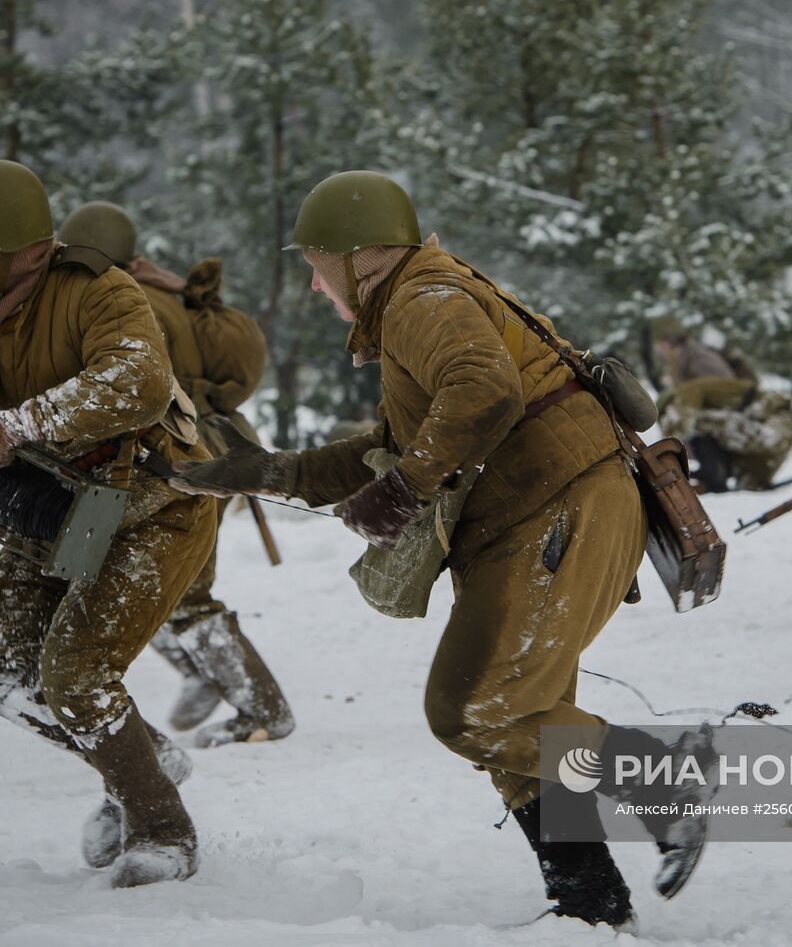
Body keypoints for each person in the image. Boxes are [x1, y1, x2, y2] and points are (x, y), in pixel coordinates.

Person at [172, 170, 713, 928]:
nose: (316, 288)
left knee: (473, 711)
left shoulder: (422, 300)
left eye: (317, 268)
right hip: (547, 513)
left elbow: (484, 390)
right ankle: (589, 904)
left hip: (556, 510)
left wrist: (406, 489)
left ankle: (662, 780)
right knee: (519, 720)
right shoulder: (422, 299)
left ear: (358, 259)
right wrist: (266, 471)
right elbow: (391, 445)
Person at [0, 160, 218, 886]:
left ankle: (163, 829)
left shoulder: (99, 291)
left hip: (156, 509)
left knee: (76, 672)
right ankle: (140, 758)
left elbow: (140, 380)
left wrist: (25, 421)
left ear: (8, 249)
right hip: (62, 511)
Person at [57, 202, 294, 748]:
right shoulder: (165, 295)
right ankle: (203, 674)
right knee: (135, 580)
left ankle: (262, 708)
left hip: (173, 462)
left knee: (178, 591)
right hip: (208, 452)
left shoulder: (120, 303)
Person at [651, 317, 792, 492]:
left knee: (698, 423)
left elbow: (680, 425)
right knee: (749, 487)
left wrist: (663, 460)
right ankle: (720, 473)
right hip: (765, 431)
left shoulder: (699, 360)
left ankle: (715, 476)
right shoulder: (686, 360)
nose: (660, 349)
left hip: (769, 428)